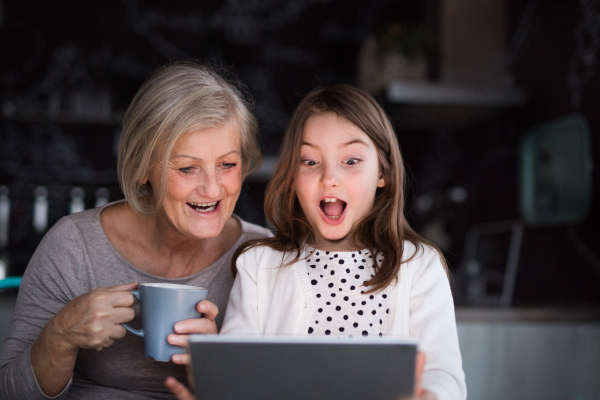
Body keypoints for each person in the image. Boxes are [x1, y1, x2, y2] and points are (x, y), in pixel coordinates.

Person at [168, 84, 466, 400]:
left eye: (351, 161)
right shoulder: (258, 265)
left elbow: (442, 373)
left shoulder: (418, 266)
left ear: (384, 173)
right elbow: (240, 376)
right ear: (292, 176)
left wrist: (432, 396)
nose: (329, 177)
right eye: (310, 162)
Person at [0, 61, 272, 399]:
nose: (213, 189)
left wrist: (217, 367)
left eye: (228, 165)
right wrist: (60, 336)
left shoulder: (267, 259)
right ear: (143, 167)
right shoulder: (75, 244)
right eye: (188, 168)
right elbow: (10, 393)